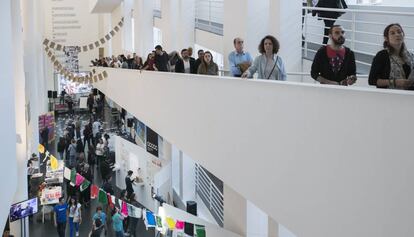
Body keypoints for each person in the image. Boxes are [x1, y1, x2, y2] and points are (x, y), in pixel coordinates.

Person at [369, 23, 414, 89]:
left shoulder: (411, 56)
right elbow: (372, 80)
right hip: (389, 97)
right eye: (392, 33)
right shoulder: (382, 55)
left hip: (409, 96)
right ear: (386, 38)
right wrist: (395, 82)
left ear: (403, 35)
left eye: (399, 32)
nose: (397, 35)